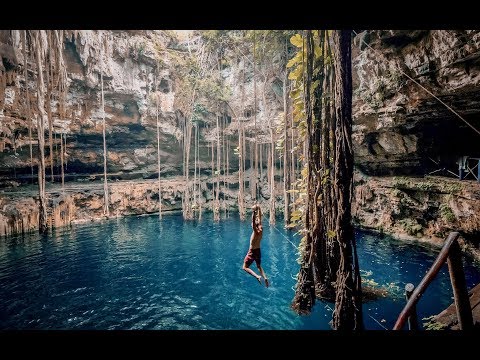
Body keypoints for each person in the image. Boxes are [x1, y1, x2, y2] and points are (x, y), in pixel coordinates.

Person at [242, 203, 269, 287]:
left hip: (252, 251)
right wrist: (259, 208)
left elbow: (254, 221)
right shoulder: (261, 230)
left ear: (254, 226)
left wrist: (253, 212)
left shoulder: (255, 231)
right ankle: (265, 277)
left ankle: (257, 276)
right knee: (258, 266)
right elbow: (259, 219)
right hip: (258, 250)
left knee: (245, 267)